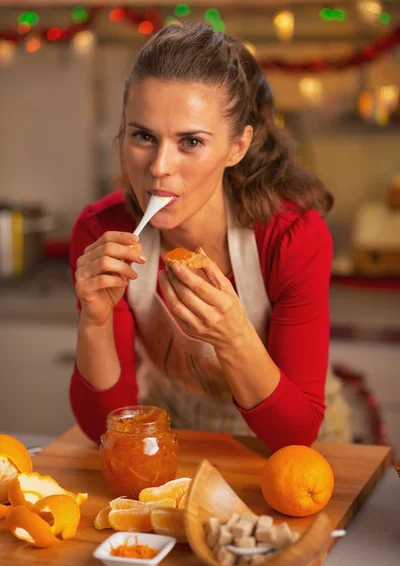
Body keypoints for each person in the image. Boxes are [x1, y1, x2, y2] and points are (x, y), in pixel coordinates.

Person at [69, 21, 352, 451]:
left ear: (237, 147)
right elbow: (105, 428)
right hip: (174, 433)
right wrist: (95, 321)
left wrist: (233, 335)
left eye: (191, 142)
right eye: (143, 136)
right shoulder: (100, 233)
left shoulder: (292, 237)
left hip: (295, 450)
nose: (160, 166)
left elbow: (295, 433)